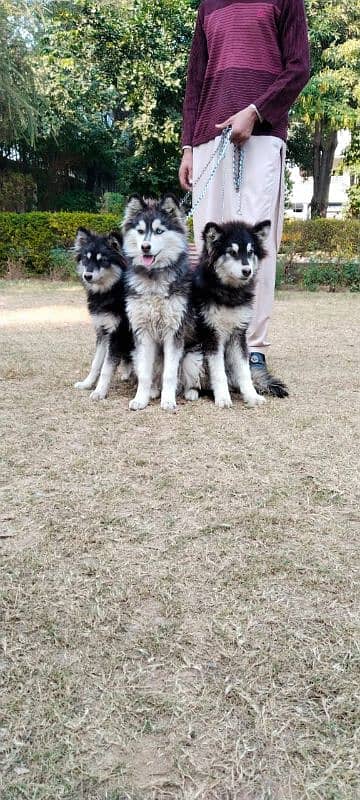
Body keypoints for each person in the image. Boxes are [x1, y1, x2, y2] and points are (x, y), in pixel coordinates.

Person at [179, 0, 310, 396]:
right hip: (207, 140)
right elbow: (196, 82)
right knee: (210, 244)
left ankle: (251, 349)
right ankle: (207, 344)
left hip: (262, 135)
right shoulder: (208, 6)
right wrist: (188, 146)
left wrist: (255, 111)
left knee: (256, 244)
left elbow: (299, 68)